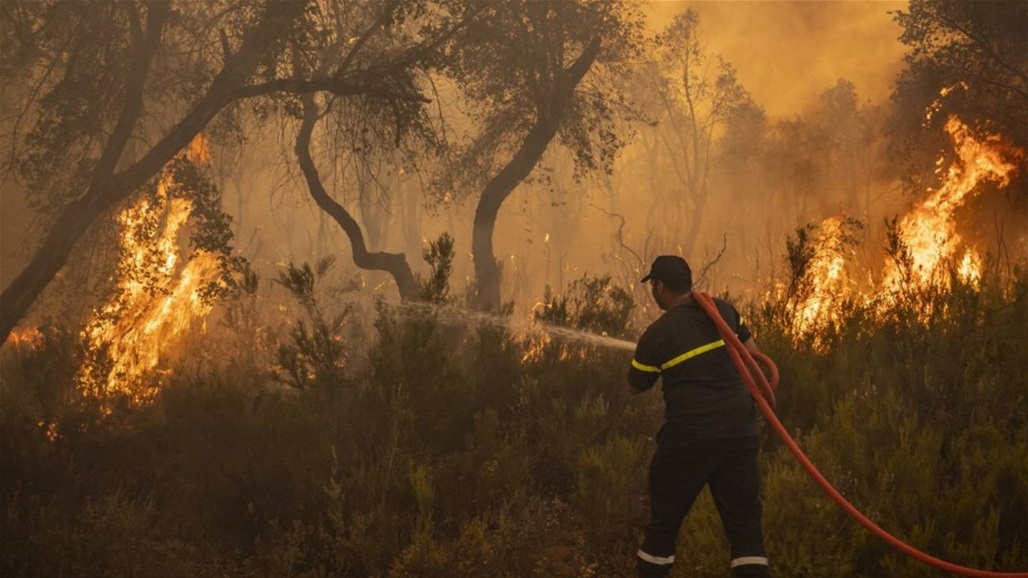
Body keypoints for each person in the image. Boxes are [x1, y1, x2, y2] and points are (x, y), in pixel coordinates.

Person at [628, 255, 770, 578]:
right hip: (738, 433)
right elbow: (754, 355)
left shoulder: (658, 333)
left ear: (660, 286)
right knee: (746, 526)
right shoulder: (724, 310)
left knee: (664, 521)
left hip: (689, 439)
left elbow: (635, 386)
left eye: (653, 285)